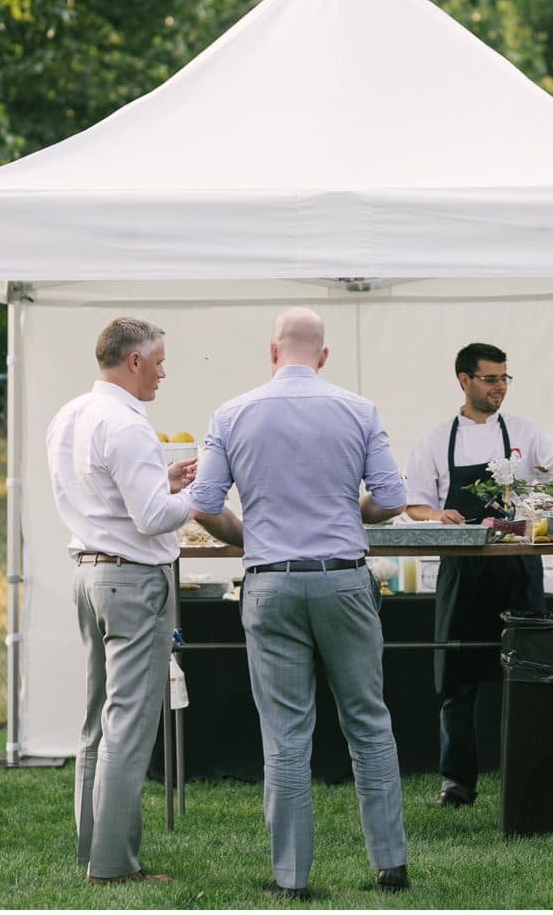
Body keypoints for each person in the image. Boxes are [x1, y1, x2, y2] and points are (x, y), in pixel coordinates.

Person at [190, 307, 411, 899]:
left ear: (271, 352)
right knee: (368, 721)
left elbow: (204, 503)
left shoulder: (231, 414)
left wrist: (248, 536)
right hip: (342, 579)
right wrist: (352, 513)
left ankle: (291, 877)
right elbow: (392, 496)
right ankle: (390, 864)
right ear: (324, 355)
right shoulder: (357, 409)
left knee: (285, 735)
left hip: (271, 581)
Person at [45, 316, 198, 885]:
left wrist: (164, 480)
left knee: (96, 722)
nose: (163, 371)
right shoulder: (129, 425)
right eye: (159, 360)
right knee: (129, 726)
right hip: (133, 582)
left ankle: (91, 847)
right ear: (133, 361)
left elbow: (103, 491)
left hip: (88, 573)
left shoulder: (69, 416)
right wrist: (201, 497)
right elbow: (152, 517)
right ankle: (112, 867)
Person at [403, 342, 553, 807]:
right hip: (462, 569)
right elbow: (414, 505)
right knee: (458, 679)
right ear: (464, 380)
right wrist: (438, 515)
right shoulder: (435, 441)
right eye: (490, 379)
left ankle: (530, 776)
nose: (499, 388)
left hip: (516, 566)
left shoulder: (526, 433)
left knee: (527, 674)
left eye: (504, 379)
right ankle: (457, 783)